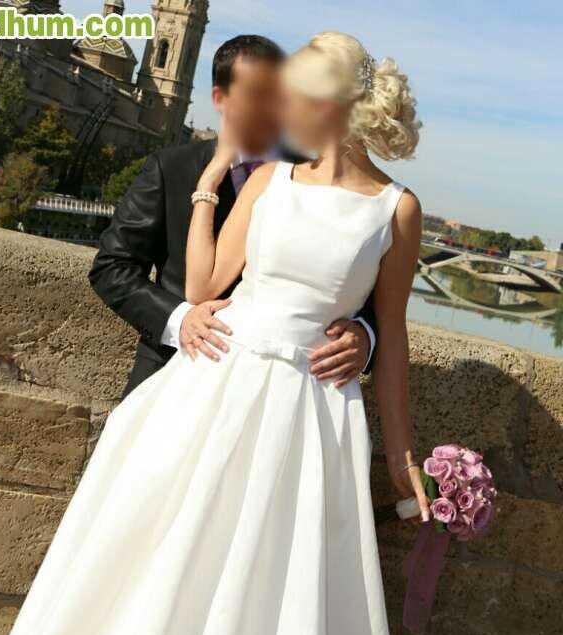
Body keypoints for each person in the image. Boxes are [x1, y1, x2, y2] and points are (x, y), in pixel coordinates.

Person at [9, 31, 429, 635]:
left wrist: (402, 456)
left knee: (271, 579)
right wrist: (211, 177)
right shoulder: (270, 180)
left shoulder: (397, 209)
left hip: (310, 411)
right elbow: (203, 285)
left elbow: (392, 332)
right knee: (163, 553)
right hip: (215, 382)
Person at [89, 35, 377, 399]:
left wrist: (365, 335)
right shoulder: (170, 168)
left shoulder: (315, 178)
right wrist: (179, 318)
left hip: (270, 391)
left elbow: (360, 279)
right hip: (170, 371)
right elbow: (112, 268)